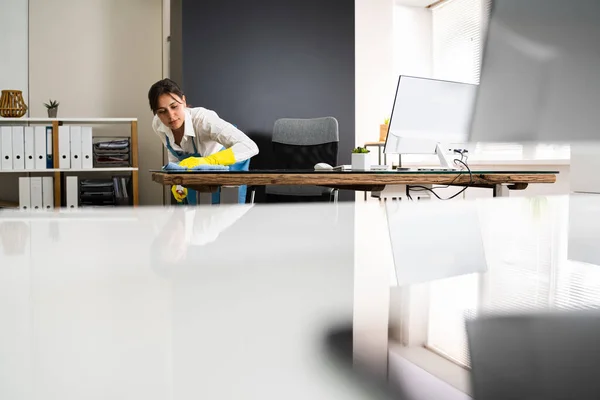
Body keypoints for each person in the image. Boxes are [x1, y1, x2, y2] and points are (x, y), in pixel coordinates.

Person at [148, 78, 259, 204]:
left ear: (183, 101)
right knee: (196, 215)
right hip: (195, 172)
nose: (171, 115)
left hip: (226, 166)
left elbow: (250, 146)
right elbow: (174, 156)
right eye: (162, 111)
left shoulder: (203, 119)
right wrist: (177, 182)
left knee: (226, 216)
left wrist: (208, 161)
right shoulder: (158, 125)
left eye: (174, 106)